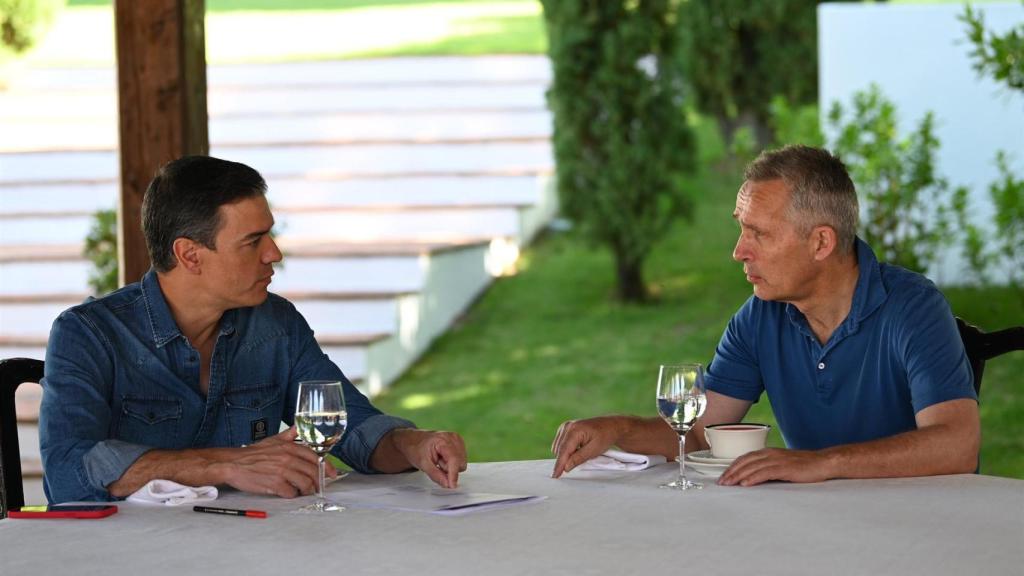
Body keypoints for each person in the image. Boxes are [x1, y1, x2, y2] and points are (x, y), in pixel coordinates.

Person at [40, 156, 467, 503]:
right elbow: (67, 474)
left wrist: (412, 443)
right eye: (253, 240)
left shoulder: (275, 325)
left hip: (257, 549)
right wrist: (228, 464)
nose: (274, 253)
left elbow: (348, 429)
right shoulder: (89, 335)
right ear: (190, 255)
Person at [550, 145, 979, 486]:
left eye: (759, 233)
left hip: (921, 525)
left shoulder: (913, 307)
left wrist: (820, 463)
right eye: (741, 228)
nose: (739, 250)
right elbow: (699, 436)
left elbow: (958, 445)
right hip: (818, 525)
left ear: (821, 243)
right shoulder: (759, 317)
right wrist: (617, 428)